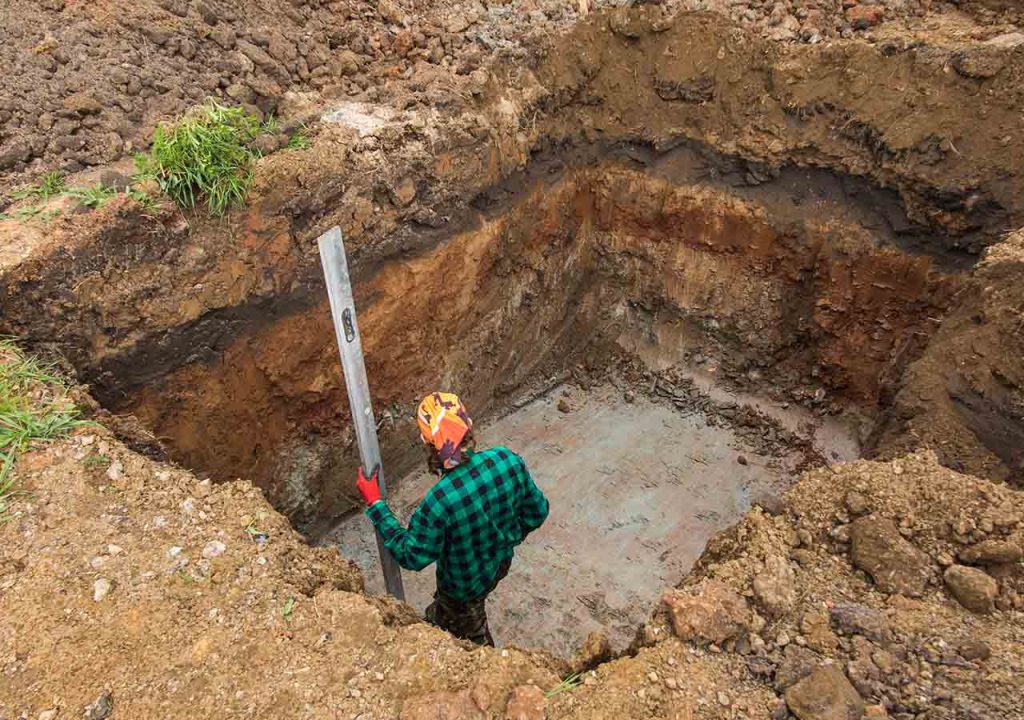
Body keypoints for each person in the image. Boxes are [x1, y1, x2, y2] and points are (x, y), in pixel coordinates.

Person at [354, 391, 549, 646]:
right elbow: (538, 512)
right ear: (468, 424)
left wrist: (376, 504)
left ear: (426, 440)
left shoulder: (439, 502)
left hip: (462, 591)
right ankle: (440, 619)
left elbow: (412, 556)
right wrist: (503, 538)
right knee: (447, 613)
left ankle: (480, 655)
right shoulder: (506, 460)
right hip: (499, 564)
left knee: (472, 639)